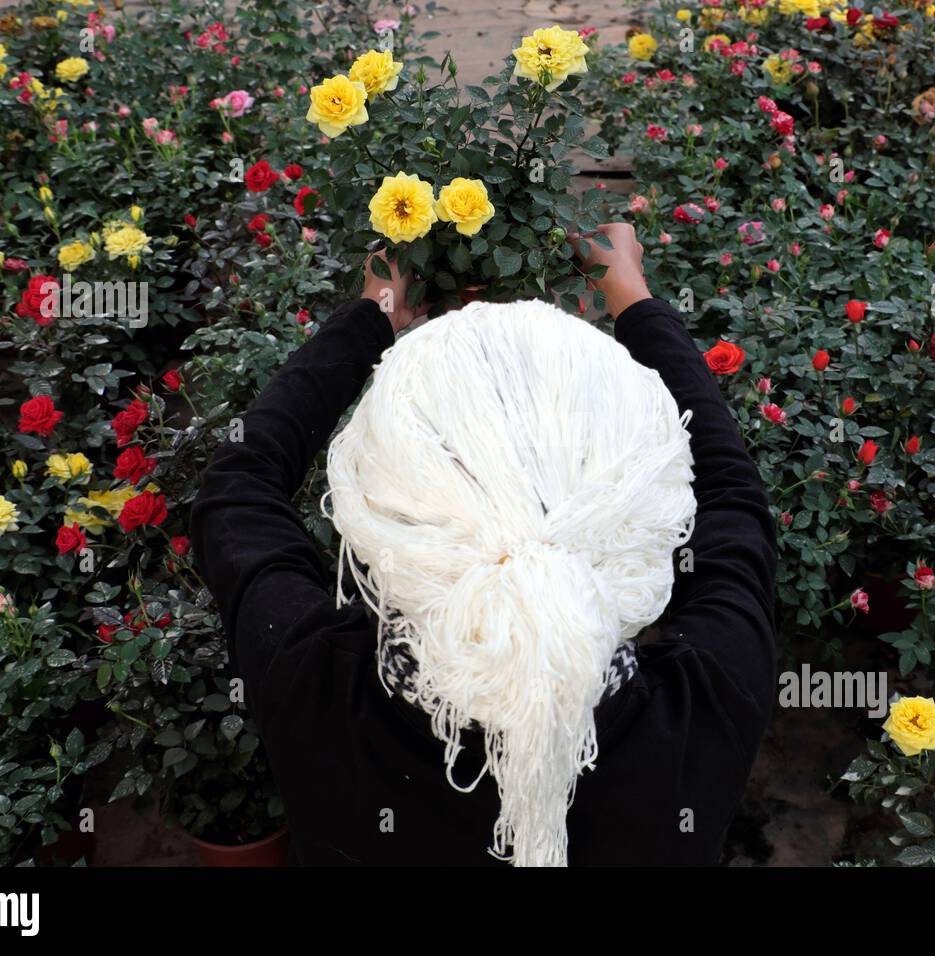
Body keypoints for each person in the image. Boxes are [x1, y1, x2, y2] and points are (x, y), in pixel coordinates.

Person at [190, 223, 777, 866]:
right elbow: (730, 493)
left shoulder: (312, 686)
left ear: (378, 513)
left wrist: (373, 314)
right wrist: (632, 297)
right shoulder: (712, 703)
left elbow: (237, 487)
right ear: (642, 507)